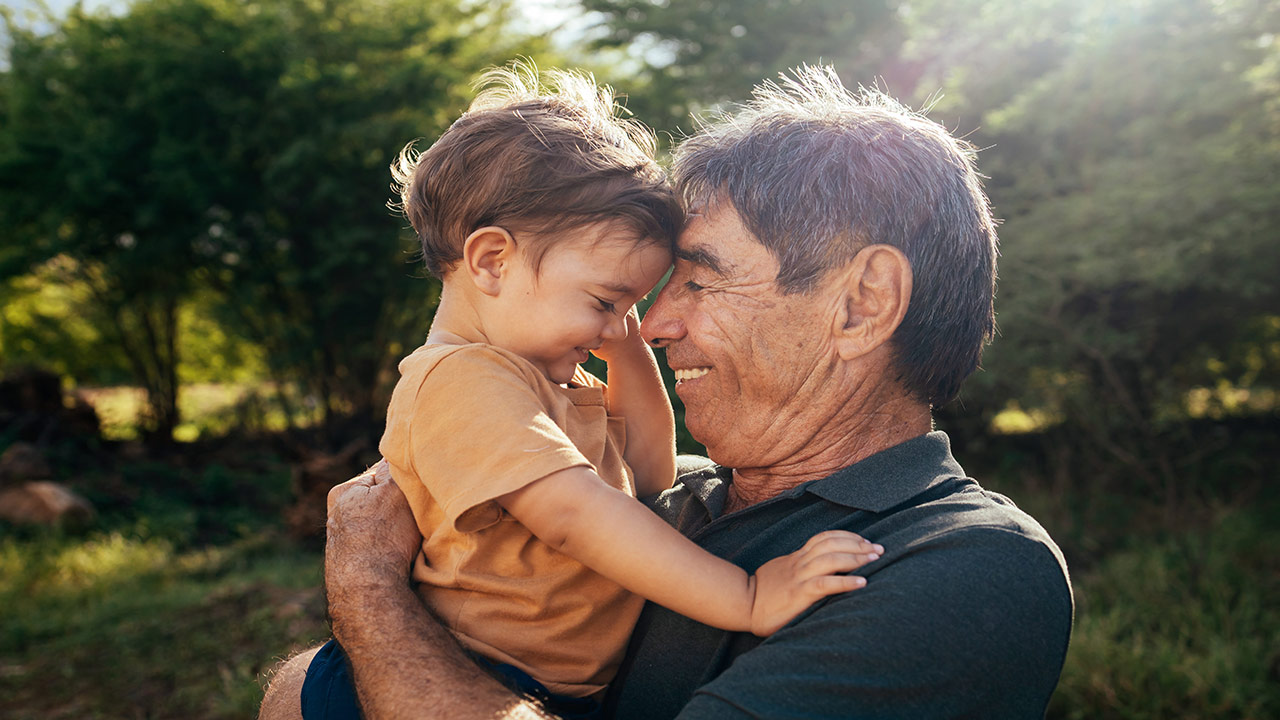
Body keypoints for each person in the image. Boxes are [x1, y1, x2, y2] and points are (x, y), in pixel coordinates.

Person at [260, 65, 1073, 720]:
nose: (649, 326)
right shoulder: (674, 497)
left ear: (861, 304)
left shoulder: (966, 565)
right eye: (628, 296)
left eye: (700, 280)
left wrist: (367, 594)